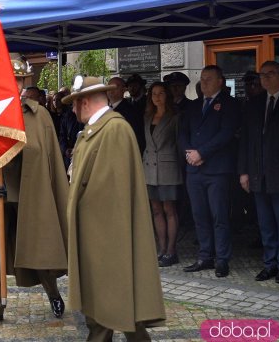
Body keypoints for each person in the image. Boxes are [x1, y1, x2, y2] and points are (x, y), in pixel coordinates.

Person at [63, 76, 165, 340]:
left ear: (84, 102)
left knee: (118, 300)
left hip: (107, 235)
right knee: (106, 303)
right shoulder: (94, 131)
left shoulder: (114, 130)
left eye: (75, 105)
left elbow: (114, 192)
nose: (73, 111)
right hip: (95, 234)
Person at [0, 96, 69, 328]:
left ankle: (53, 292)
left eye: (18, 79)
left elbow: (46, 155)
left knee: (38, 246)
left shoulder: (38, 115)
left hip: (31, 192)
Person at [178, 65, 240, 278]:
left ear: (220, 82)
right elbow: (182, 133)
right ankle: (205, 256)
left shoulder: (230, 104)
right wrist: (189, 152)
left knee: (219, 216)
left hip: (216, 170)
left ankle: (222, 259)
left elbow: (226, 134)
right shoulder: (194, 106)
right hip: (194, 170)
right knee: (199, 215)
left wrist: (201, 153)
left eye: (209, 79)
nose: (204, 82)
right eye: (202, 79)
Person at [239, 61, 279, 283]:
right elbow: (245, 141)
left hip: (278, 174)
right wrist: (244, 172)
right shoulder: (254, 104)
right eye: (262, 75)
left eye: (270, 74)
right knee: (265, 223)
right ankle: (269, 264)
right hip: (258, 174)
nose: (265, 79)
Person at [143, 81, 183, 267]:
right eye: (153, 93)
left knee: (169, 210)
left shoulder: (175, 116)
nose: (157, 97)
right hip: (149, 168)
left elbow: (179, 143)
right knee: (156, 210)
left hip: (168, 168)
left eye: (160, 93)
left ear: (167, 95)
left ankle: (171, 251)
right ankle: (161, 248)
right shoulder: (147, 116)